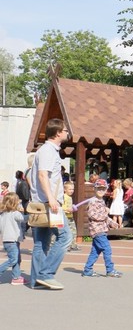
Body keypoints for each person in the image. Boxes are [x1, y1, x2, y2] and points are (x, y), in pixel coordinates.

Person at [29, 118, 72, 290]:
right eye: (65, 130)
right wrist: (51, 198)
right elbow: (42, 175)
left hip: (42, 203)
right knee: (65, 236)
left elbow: (35, 176)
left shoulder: (45, 150)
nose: (67, 133)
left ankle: (36, 280)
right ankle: (46, 274)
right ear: (58, 133)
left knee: (41, 242)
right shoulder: (48, 150)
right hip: (49, 204)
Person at [81, 179, 123, 278]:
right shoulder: (93, 201)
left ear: (106, 190)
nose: (101, 191)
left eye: (103, 189)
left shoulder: (101, 201)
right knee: (107, 249)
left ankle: (87, 270)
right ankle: (110, 270)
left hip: (102, 229)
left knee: (95, 251)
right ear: (94, 189)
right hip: (97, 230)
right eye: (98, 188)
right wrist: (106, 213)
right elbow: (93, 215)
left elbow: (105, 218)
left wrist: (113, 223)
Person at [0, 193, 26, 285]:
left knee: (17, 259)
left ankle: (16, 277)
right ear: (14, 203)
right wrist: (31, 215)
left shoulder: (2, 214)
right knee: (13, 260)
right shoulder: (15, 213)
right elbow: (23, 219)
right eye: (18, 201)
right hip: (12, 241)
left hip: (7, 241)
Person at [62, 181, 80, 251]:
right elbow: (61, 207)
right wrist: (67, 209)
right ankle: (66, 246)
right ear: (65, 189)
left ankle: (73, 245)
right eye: (70, 189)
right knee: (65, 232)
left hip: (70, 217)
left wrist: (72, 207)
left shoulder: (70, 197)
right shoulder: (64, 197)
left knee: (73, 231)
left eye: (73, 189)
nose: (72, 191)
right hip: (65, 217)